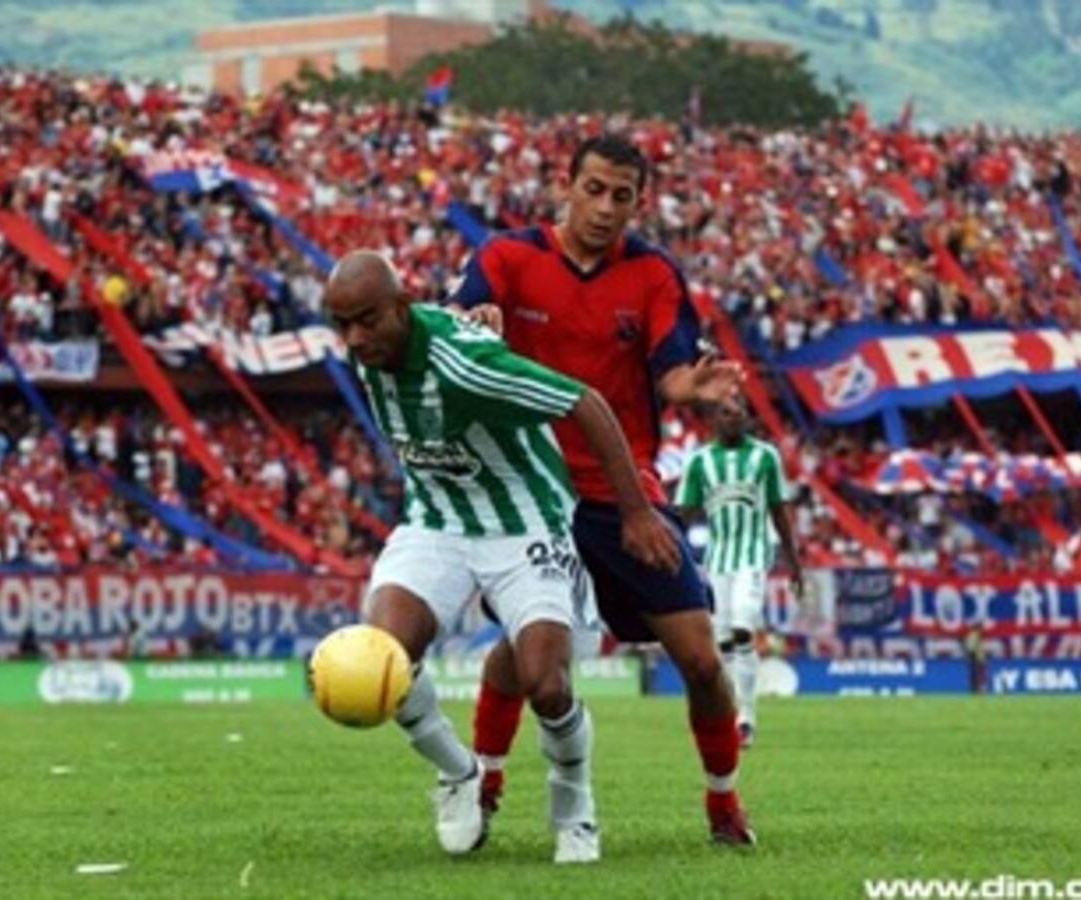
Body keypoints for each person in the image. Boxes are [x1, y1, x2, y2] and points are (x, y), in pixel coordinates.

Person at [324, 251, 681, 863]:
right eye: (343, 325)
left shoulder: (466, 363)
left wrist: (637, 512)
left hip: (525, 525)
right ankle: (459, 772)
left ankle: (574, 809)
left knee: (545, 685)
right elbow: (442, 318)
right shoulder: (373, 352)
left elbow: (586, 403)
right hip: (437, 522)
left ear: (400, 307)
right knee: (383, 661)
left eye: (367, 321)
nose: (356, 339)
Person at [452, 134, 755, 845]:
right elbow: (462, 322)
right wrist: (478, 323)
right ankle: (484, 783)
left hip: (626, 496)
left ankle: (723, 802)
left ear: (638, 202)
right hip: (532, 496)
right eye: (594, 189)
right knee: (528, 655)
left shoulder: (653, 273)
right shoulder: (507, 256)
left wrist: (692, 389)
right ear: (568, 183)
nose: (605, 207)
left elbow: (672, 369)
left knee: (702, 659)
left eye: (622, 196)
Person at [675, 398, 802, 748]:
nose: (735, 418)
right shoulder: (700, 461)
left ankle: (747, 718)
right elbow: (684, 512)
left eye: (740, 412)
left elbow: (779, 509)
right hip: (718, 560)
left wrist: (793, 560)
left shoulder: (765, 456)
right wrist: (669, 554)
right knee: (723, 642)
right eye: (727, 412)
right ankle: (730, 715)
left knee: (744, 628)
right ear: (714, 419)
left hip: (753, 555)